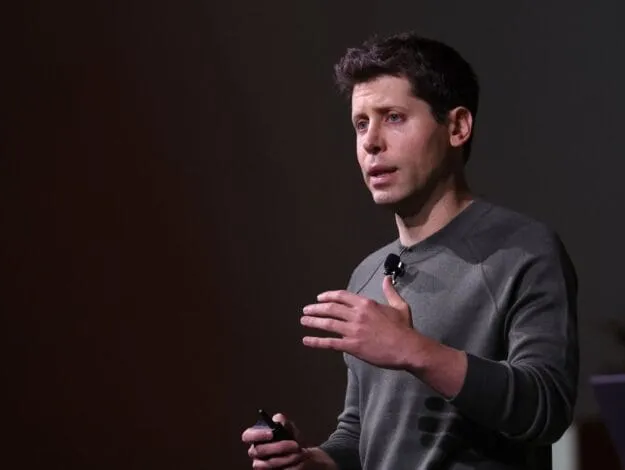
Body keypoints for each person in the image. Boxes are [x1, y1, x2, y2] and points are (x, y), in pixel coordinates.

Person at [242, 32, 579, 470]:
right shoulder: (367, 275)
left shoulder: (520, 250)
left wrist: (413, 350)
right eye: (361, 124)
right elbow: (361, 435)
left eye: (394, 117)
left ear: (457, 127)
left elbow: (545, 408)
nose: (371, 142)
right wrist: (311, 461)